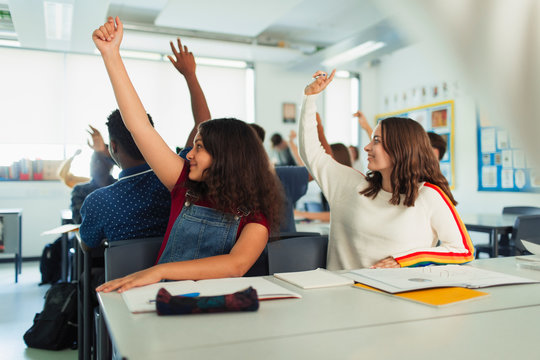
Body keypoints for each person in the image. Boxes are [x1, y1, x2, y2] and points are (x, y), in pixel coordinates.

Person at [92, 17, 283, 293]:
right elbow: (138, 125)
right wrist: (111, 55)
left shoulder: (255, 214)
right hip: (165, 299)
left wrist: (161, 270)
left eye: (200, 147)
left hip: (218, 307)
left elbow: (235, 265)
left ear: (225, 158)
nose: (189, 153)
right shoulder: (184, 184)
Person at [298, 69, 474, 270]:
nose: (366, 147)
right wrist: (310, 98)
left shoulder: (429, 195)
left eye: (377, 141)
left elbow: (463, 250)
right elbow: (310, 151)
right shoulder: (349, 185)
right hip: (345, 295)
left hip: (401, 295)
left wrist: (407, 259)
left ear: (401, 149)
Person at [78, 109, 171, 247]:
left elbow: (87, 245)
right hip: (171, 266)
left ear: (113, 146)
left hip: (120, 269)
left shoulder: (97, 202)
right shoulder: (173, 185)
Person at [70, 126, 117, 224]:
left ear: (109, 165)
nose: (93, 165)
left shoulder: (119, 187)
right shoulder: (80, 190)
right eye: (92, 162)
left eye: (98, 161)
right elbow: (80, 220)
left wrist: (102, 151)